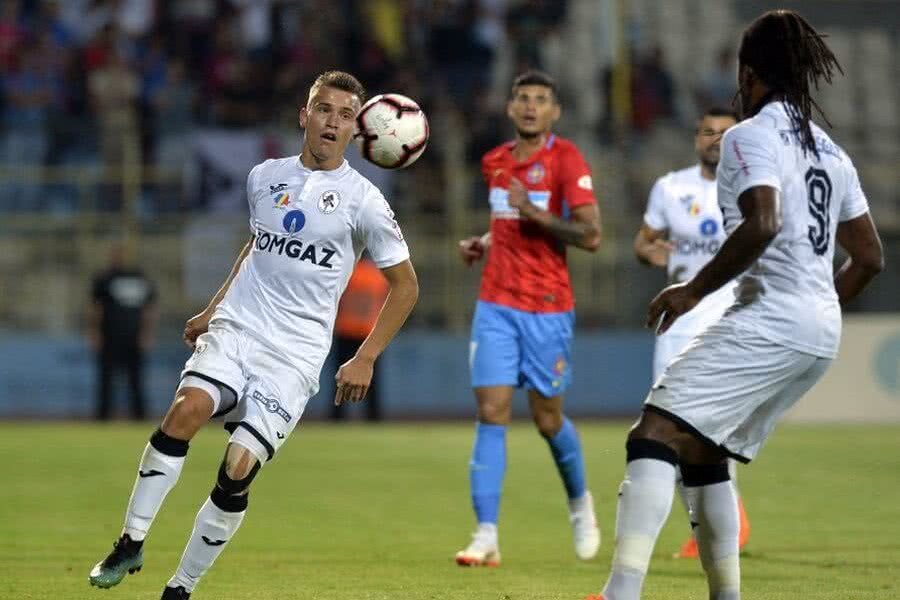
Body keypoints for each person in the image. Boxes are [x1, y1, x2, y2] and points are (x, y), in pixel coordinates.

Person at [88, 70, 419, 599]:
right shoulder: (264, 177)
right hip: (240, 327)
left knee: (238, 467)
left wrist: (366, 356)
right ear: (304, 115)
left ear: (357, 130)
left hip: (295, 354)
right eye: (324, 109)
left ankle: (181, 587)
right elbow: (256, 246)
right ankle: (131, 541)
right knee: (186, 410)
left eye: (345, 115)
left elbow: (406, 286)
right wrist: (213, 308)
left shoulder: (365, 202)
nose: (332, 121)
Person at [587, 10, 884, 600]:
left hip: (773, 316)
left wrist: (691, 289)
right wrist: (817, 307)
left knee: (654, 434)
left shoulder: (749, 136)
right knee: (702, 452)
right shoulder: (832, 152)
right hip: (819, 331)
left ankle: (621, 593)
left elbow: (763, 221)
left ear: (748, 74)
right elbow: (870, 256)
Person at [455, 70, 602, 567]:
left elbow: (591, 235)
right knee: (491, 411)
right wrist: (484, 242)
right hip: (496, 304)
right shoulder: (494, 161)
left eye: (541, 99)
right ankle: (486, 534)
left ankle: (580, 503)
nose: (531, 106)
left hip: (547, 307)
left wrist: (535, 213)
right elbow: (506, 222)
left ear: (554, 111)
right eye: (522, 98)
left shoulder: (567, 160)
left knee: (547, 419)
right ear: (510, 107)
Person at [633, 106, 751, 559]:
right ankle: (717, 519)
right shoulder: (671, 187)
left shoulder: (753, 188)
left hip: (729, 315)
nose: (715, 140)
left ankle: (724, 522)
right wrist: (650, 253)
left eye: (725, 133)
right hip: (679, 320)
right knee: (670, 420)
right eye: (708, 132)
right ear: (695, 138)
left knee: (712, 423)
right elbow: (644, 241)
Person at [88, 242, 158, 421]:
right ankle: (102, 417)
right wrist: (95, 332)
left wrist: (146, 333)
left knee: (136, 380)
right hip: (110, 337)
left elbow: (149, 309)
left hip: (133, 337)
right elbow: (96, 308)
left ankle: (139, 416)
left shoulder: (140, 278)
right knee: (106, 380)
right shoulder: (104, 279)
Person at [330, 256, 390, 421]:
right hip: (369, 333)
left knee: (340, 377)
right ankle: (373, 416)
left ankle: (337, 415)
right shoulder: (378, 275)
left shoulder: (347, 272)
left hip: (346, 329)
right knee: (372, 379)